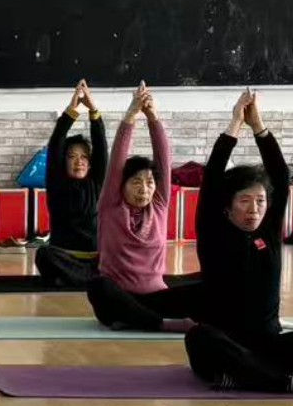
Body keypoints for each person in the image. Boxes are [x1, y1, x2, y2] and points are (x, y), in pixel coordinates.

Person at [185, 90, 293, 393]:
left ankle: (245, 376)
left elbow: (280, 176)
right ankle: (280, 382)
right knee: (199, 338)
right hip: (225, 345)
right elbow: (213, 176)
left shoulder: (267, 232)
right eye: (244, 201)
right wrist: (235, 124)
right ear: (227, 206)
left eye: (260, 201)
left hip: (268, 345)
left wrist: (259, 126)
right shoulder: (214, 231)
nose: (254, 209)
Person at [86, 83, 198, 330]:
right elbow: (117, 158)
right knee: (98, 286)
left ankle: (133, 320)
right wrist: (131, 115)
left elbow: (163, 158)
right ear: (121, 185)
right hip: (117, 298)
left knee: (206, 287)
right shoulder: (111, 205)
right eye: (136, 182)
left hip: (156, 298)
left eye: (149, 183)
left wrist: (153, 117)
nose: (144, 189)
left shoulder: (159, 204)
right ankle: (161, 325)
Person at [34, 80, 106, 288]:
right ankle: (84, 278)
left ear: (90, 164)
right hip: (63, 256)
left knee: (118, 254)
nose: (79, 161)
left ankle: (72, 279)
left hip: (94, 259)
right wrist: (71, 111)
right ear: (63, 161)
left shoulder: (97, 183)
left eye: (83, 157)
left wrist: (93, 111)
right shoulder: (57, 184)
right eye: (72, 156)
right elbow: (56, 142)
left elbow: (101, 148)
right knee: (43, 254)